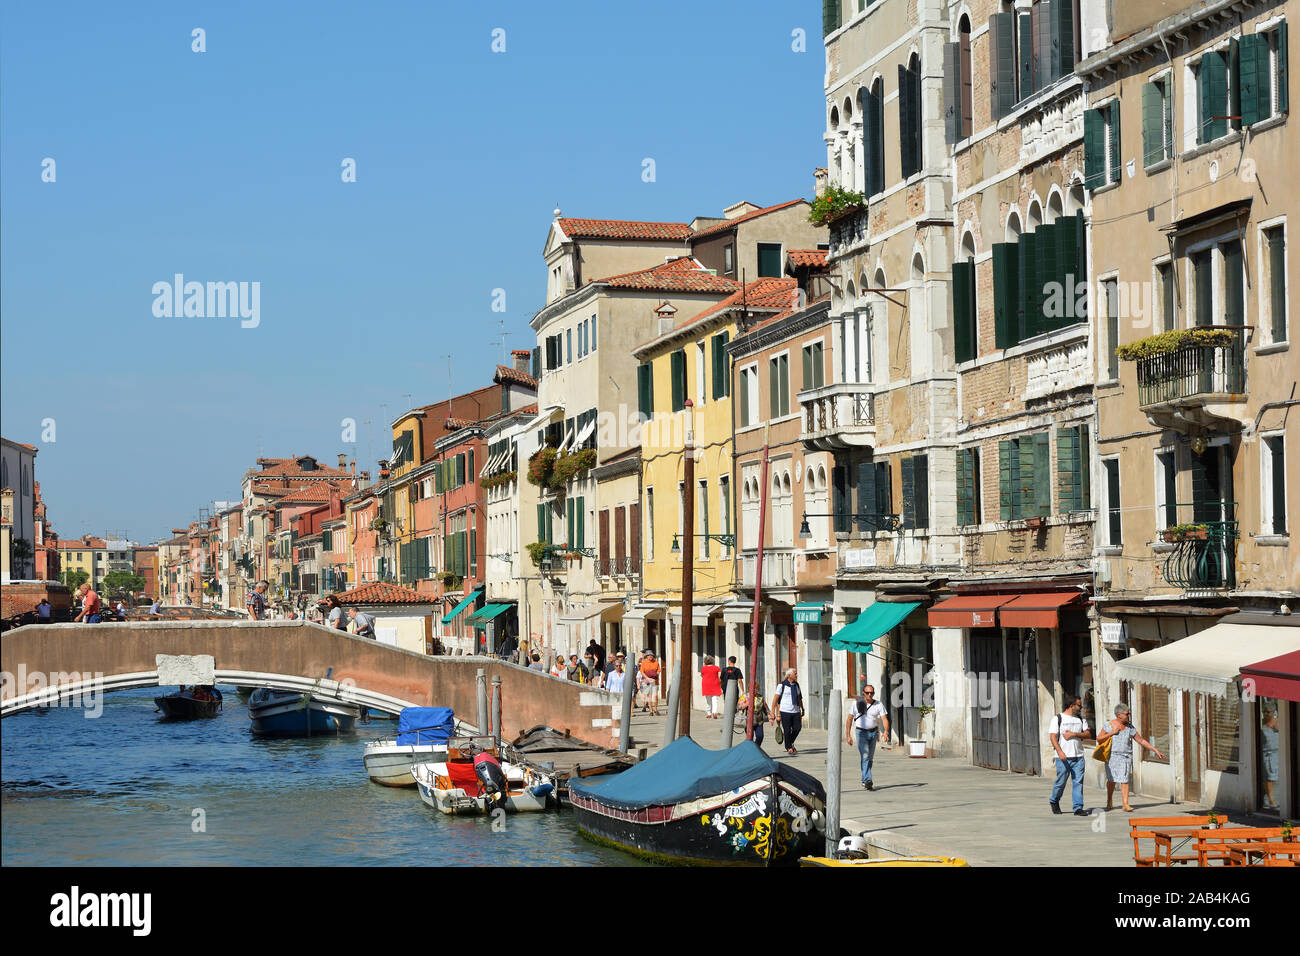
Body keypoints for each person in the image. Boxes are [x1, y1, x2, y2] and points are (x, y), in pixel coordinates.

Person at [1097, 704, 1164, 812]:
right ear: (1119, 715)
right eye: (1127, 714)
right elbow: (1099, 739)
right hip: (1112, 756)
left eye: (1129, 713)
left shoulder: (1130, 727)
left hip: (1125, 756)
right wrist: (1111, 733)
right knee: (1112, 779)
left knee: (1125, 780)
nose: (1129, 716)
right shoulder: (1108, 725)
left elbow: (1140, 740)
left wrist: (1154, 749)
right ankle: (1109, 800)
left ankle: (1125, 804)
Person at [1048, 695, 1093, 816]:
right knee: (1061, 781)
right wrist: (1060, 752)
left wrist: (1074, 734)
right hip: (1063, 757)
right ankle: (1054, 800)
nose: (1081, 707)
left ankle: (1078, 808)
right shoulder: (1058, 718)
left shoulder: (1080, 719)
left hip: (1078, 756)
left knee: (1078, 782)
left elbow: (1088, 734)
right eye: (1079, 705)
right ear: (1071, 706)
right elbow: (1052, 737)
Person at [846, 685, 891, 790]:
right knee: (865, 755)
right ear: (863, 693)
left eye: (871, 693)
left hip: (873, 733)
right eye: (867, 693)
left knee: (869, 758)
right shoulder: (856, 703)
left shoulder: (878, 704)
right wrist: (848, 736)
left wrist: (886, 732)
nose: (869, 695)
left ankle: (864, 779)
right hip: (861, 733)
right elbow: (849, 719)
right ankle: (868, 779)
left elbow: (884, 719)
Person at [771, 668, 805, 755]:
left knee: (797, 728)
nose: (797, 675)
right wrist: (773, 712)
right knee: (787, 730)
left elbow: (799, 698)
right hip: (785, 711)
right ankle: (789, 747)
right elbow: (775, 699)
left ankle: (789, 742)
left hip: (796, 711)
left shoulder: (796, 685)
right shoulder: (782, 685)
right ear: (789, 675)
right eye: (795, 673)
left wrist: (802, 708)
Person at [1260, 710, 1280, 810]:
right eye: (1267, 712)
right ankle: (1271, 801)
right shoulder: (1264, 728)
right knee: (1269, 778)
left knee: (1275, 778)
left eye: (1271, 713)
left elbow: (1278, 727)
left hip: (1278, 753)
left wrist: (1276, 722)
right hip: (1269, 755)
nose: (1270, 715)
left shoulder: (1276, 725)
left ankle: (1272, 800)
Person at [638, 652, 662, 716]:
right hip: (646, 681)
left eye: (651, 655)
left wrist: (655, 675)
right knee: (649, 696)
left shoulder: (656, 662)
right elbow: (642, 672)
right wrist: (647, 678)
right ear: (647, 656)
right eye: (649, 655)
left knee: (655, 695)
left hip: (655, 681)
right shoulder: (644, 663)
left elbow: (658, 671)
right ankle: (651, 711)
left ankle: (656, 709)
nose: (650, 656)